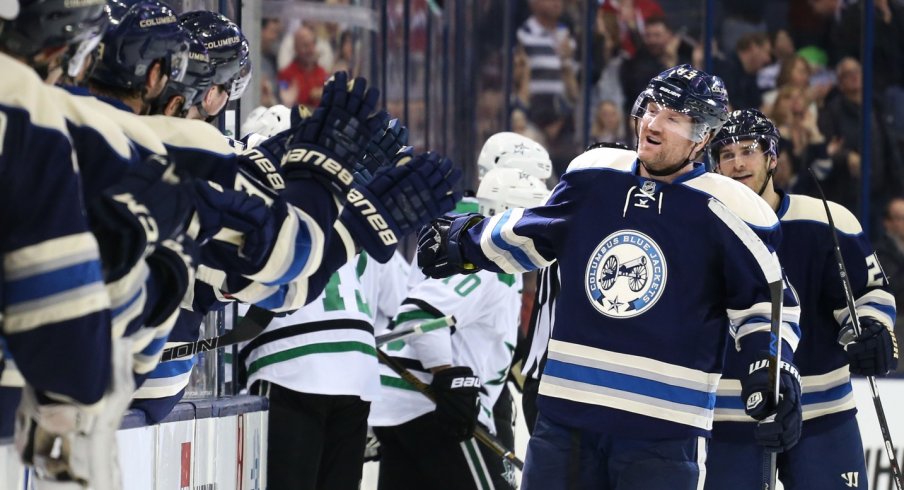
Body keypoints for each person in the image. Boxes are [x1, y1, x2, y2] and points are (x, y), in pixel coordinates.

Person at [417, 64, 803, 489]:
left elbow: (767, 304)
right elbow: (532, 234)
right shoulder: (595, 176)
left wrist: (774, 369)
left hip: (663, 433)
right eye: (651, 109)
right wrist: (465, 243)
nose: (653, 124)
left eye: (673, 118)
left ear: (703, 137)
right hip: (566, 423)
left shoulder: (728, 208)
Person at [707, 109, 898, 489]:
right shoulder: (700, 227)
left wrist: (873, 329)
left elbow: (868, 294)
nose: (738, 162)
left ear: (773, 158)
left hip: (821, 410)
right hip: (729, 416)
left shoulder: (828, 220)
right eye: (726, 154)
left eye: (748, 150)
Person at [369, 172, 548, 489]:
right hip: (431, 409)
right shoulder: (488, 264)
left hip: (402, 410)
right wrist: (447, 375)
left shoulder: (495, 265)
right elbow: (419, 313)